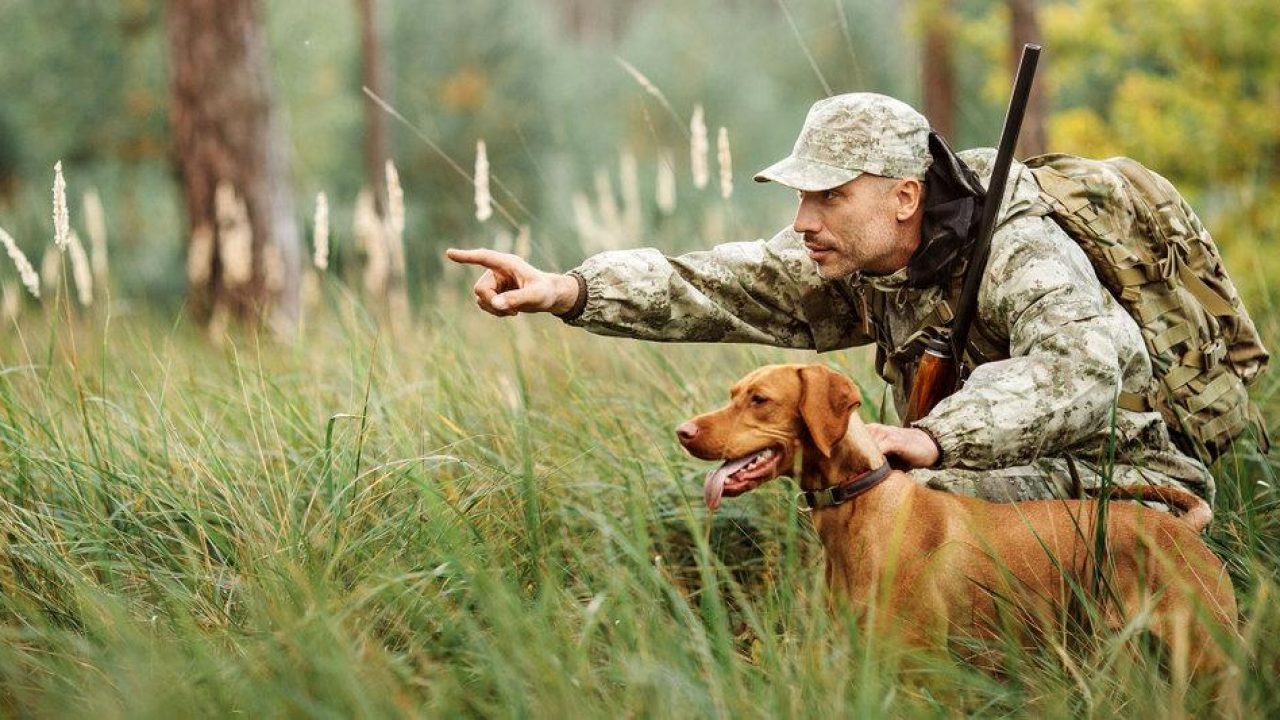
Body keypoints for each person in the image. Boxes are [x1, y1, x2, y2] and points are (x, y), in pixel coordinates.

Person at [446, 93, 1213, 504]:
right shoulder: (853, 254)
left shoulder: (1019, 248)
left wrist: (932, 439)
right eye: (802, 197)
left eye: (831, 197)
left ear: (906, 196)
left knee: (910, 493)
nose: (804, 222)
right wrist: (568, 288)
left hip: (1123, 472)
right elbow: (716, 284)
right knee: (878, 494)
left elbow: (1081, 370)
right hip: (984, 471)